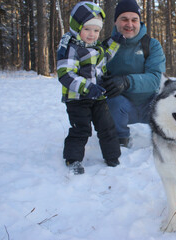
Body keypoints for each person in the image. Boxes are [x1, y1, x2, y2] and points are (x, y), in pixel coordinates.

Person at [57, 2, 121, 174]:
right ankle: (73, 159)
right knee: (81, 129)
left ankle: (113, 157)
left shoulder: (96, 48)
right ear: (77, 27)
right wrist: (87, 87)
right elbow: (65, 74)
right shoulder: (70, 47)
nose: (92, 34)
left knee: (107, 126)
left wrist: (115, 42)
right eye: (87, 29)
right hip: (77, 99)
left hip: (98, 97)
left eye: (96, 30)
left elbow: (106, 56)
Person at [101, 0, 166, 148]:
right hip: (121, 107)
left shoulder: (151, 45)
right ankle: (120, 138)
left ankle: (164, 135)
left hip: (150, 104)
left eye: (134, 20)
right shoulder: (105, 47)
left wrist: (126, 81)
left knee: (168, 101)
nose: (129, 24)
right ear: (116, 21)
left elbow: (155, 79)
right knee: (110, 103)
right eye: (124, 19)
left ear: (139, 21)